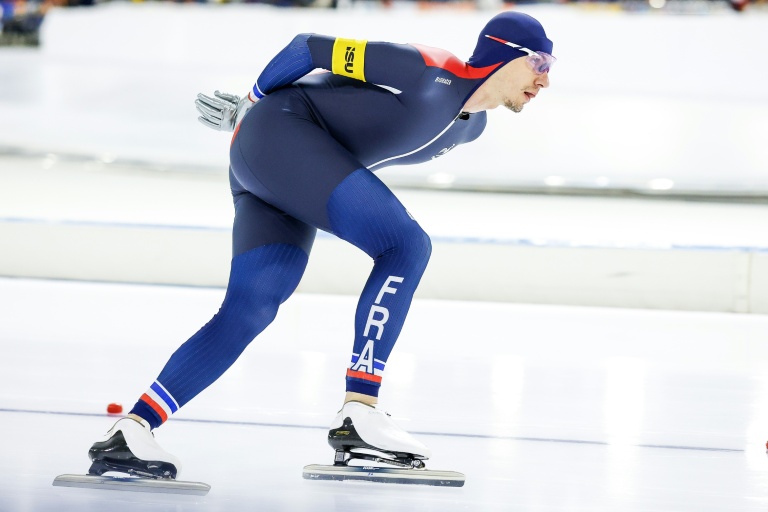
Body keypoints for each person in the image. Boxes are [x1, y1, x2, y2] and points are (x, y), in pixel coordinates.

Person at [87, 11, 554, 479]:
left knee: (252, 307)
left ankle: (132, 430)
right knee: (406, 245)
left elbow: (360, 130)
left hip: (282, 165)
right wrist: (250, 104)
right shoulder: (428, 69)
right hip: (278, 135)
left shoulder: (471, 127)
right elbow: (309, 47)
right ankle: (360, 409)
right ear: (506, 53)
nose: (545, 81)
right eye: (541, 64)